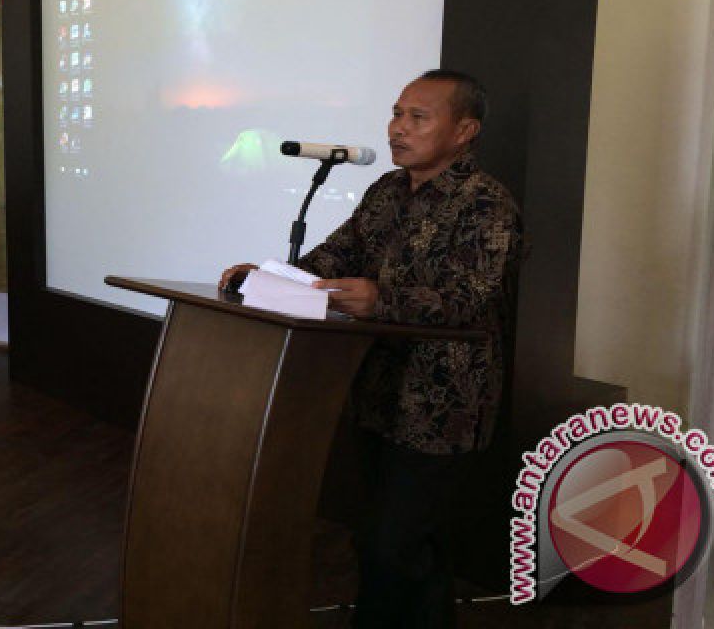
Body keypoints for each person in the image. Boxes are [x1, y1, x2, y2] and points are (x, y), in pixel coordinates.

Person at [219, 69, 523, 628]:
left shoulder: (486, 205)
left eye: (417, 117)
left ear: (464, 131)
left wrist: (381, 300)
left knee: (391, 543)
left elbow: (471, 299)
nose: (397, 128)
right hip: (379, 393)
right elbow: (338, 257)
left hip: (443, 405)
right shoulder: (385, 192)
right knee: (409, 547)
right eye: (396, 113)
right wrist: (270, 277)